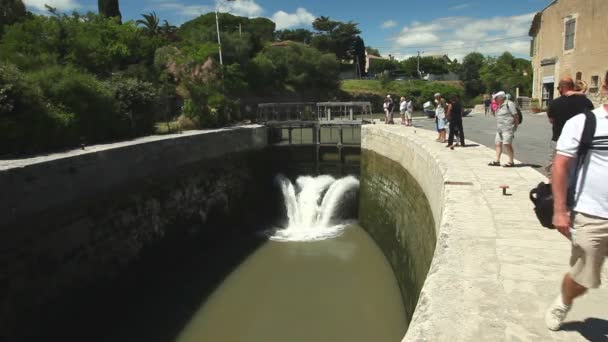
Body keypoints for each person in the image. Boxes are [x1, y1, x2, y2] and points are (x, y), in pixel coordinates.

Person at [545, 96, 608, 331]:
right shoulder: (585, 123)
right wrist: (560, 210)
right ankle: (564, 300)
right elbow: (560, 166)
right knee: (584, 277)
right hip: (593, 214)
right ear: (605, 87)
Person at [546, 77, 594, 178]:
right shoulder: (586, 102)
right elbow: (591, 120)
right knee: (579, 170)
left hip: (559, 139)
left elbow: (551, 120)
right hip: (581, 141)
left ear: (561, 88)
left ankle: (554, 190)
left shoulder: (555, 103)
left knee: (556, 169)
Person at [488, 91, 518, 167]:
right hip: (499, 129)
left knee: (507, 144)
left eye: (496, 98)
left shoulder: (509, 104)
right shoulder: (499, 105)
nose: (495, 100)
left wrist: (515, 127)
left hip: (507, 128)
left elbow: (515, 115)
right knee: (498, 144)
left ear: (501, 97)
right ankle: (497, 161)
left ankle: (511, 162)